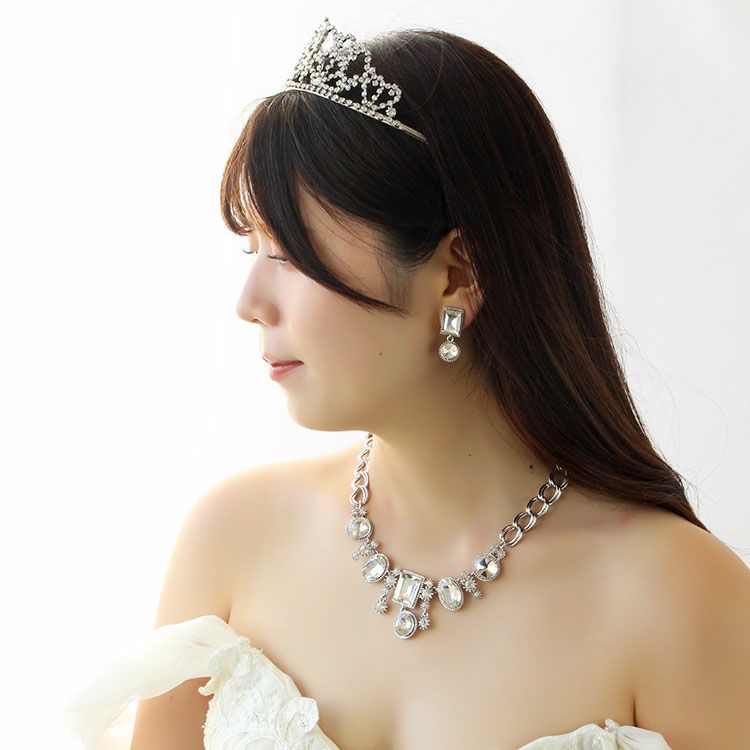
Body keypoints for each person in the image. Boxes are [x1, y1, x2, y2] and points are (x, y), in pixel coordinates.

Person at [63, 16, 750, 750]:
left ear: (457, 274)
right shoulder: (233, 535)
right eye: (251, 249)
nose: (249, 301)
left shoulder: (679, 597)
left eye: (289, 253)